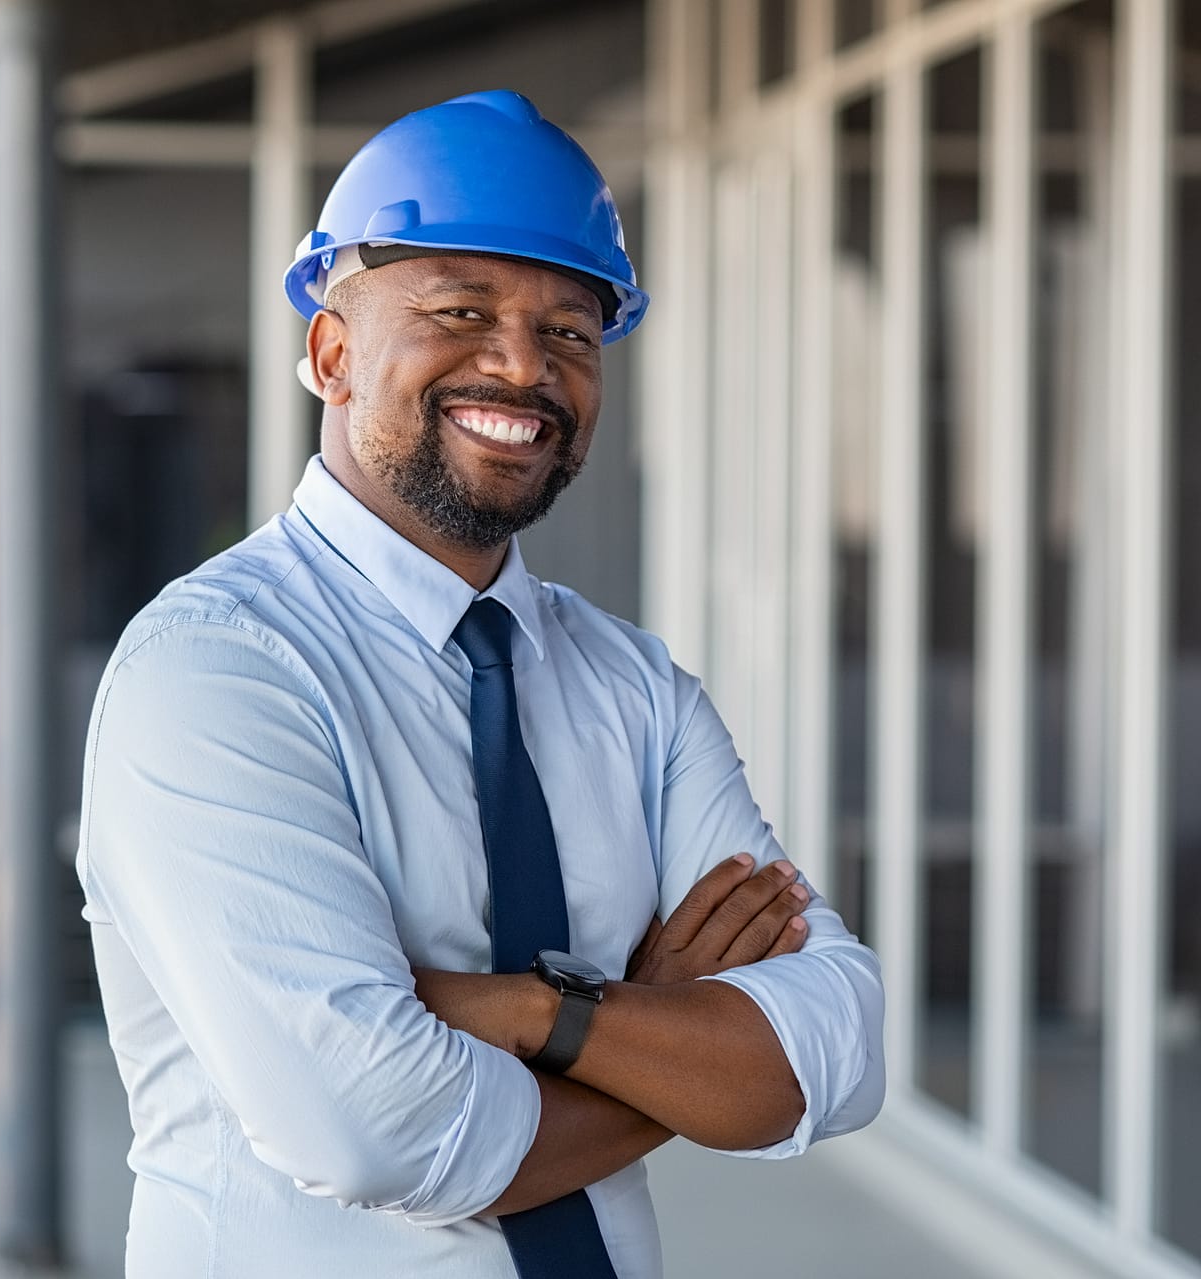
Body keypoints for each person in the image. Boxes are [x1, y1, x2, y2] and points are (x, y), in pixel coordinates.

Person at [77, 89, 884, 1278]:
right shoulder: (215, 673)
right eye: (461, 309)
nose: (522, 366)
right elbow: (376, 1130)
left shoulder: (635, 688)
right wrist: (662, 1030)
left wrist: (532, 1011)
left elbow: (838, 1049)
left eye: (570, 329)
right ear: (334, 352)